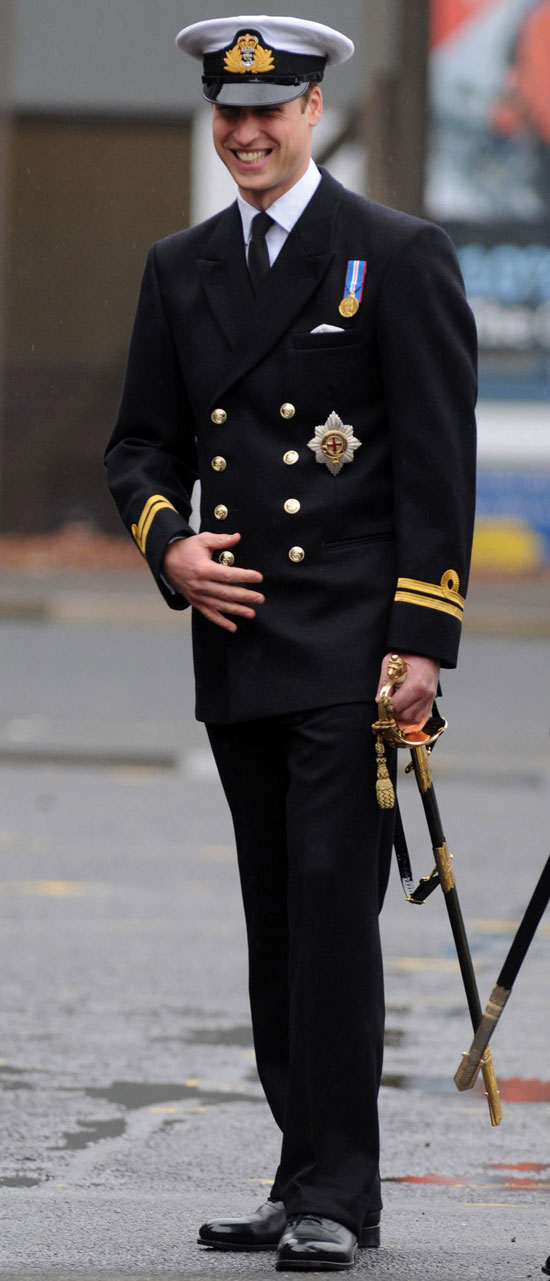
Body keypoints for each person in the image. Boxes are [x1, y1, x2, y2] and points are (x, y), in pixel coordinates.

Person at [105, 15, 477, 1272]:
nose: (247, 132)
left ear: (316, 109)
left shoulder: (394, 254)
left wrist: (422, 639)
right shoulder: (181, 265)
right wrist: (170, 548)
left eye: (270, 111)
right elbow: (138, 447)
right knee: (279, 922)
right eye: (229, 112)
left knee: (332, 913)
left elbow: (437, 463)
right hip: (240, 642)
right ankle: (297, 1167)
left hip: (354, 653)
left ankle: (338, 1192)